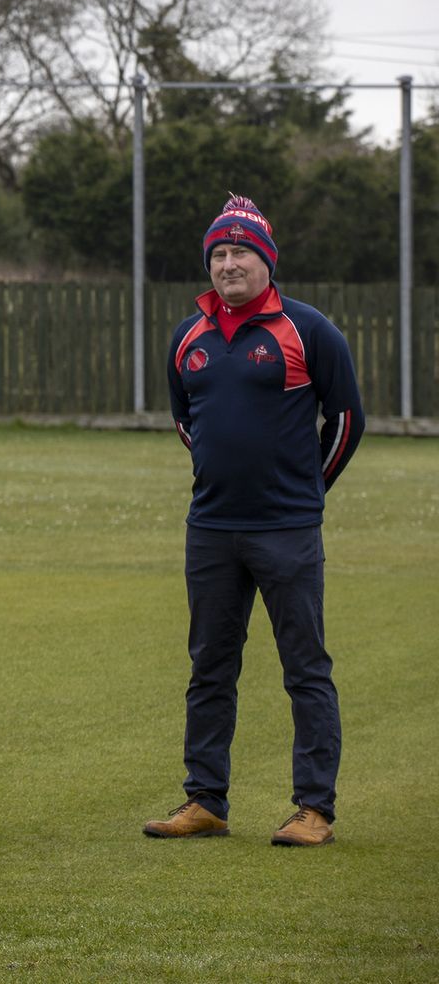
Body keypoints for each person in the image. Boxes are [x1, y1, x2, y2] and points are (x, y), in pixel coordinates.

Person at [144, 193, 364, 847]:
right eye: (218, 253)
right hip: (211, 529)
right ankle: (204, 801)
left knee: (305, 667)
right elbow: (187, 420)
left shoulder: (309, 331)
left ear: (265, 260)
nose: (228, 263)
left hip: (288, 530)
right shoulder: (189, 338)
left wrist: (305, 493)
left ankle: (314, 809)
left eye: (240, 251)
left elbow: (347, 421)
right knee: (210, 666)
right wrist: (222, 477)